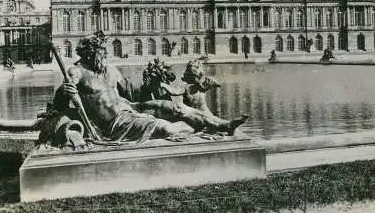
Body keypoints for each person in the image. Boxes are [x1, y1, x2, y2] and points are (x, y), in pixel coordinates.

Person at [40, 32, 244, 149]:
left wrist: (153, 83)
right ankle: (198, 129)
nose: (105, 55)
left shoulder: (110, 69)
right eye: (102, 52)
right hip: (115, 124)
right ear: (91, 53)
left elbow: (132, 93)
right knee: (167, 128)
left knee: (175, 107)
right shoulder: (77, 72)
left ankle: (224, 125)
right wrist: (63, 92)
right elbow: (59, 104)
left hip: (129, 108)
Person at [132, 58, 248, 134]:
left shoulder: (187, 87)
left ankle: (226, 126)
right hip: (198, 112)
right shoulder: (197, 86)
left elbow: (175, 92)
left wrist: (164, 85)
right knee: (210, 120)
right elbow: (215, 83)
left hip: (192, 113)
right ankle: (226, 126)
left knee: (207, 120)